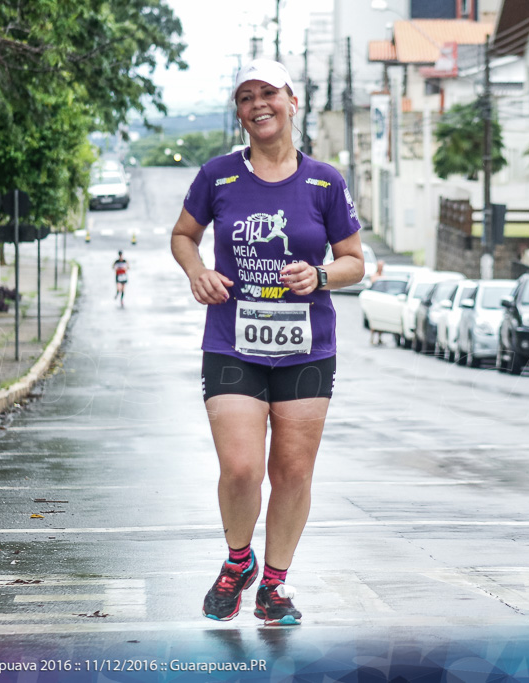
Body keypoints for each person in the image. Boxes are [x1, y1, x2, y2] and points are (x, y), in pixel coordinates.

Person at [170, 58, 365, 626]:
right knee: (240, 469)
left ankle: (274, 586)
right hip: (233, 340)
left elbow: (355, 261)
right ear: (239, 112)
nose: (259, 104)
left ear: (292, 102)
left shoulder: (325, 181)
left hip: (308, 349)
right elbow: (183, 236)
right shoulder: (219, 176)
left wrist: (321, 275)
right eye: (246, 97)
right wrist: (197, 271)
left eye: (269, 94)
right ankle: (238, 562)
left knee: (294, 473)